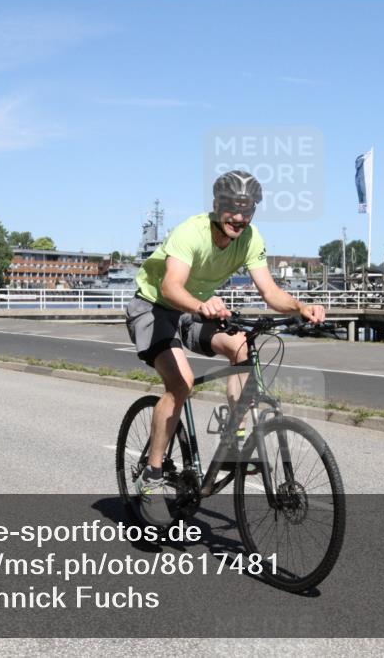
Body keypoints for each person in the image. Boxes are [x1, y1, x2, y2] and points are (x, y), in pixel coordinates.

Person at [125, 170, 325, 525]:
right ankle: (152, 479)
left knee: (244, 350)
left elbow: (270, 292)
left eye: (247, 209)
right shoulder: (191, 232)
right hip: (154, 307)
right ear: (217, 206)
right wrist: (201, 306)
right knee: (181, 383)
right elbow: (171, 287)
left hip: (196, 309)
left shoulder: (249, 238)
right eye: (233, 208)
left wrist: (300, 307)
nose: (240, 217)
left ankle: (236, 437)